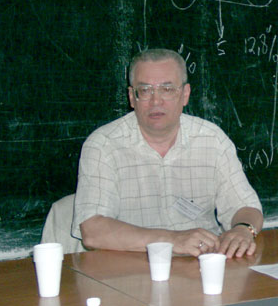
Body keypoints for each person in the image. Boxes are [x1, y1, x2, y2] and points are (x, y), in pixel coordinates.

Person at [72, 48, 263, 258]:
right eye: (145, 90)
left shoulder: (212, 139)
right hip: (131, 267)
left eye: (167, 89)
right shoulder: (103, 145)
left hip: (201, 264)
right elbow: (92, 231)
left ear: (185, 94)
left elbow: (246, 207)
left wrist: (243, 230)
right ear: (132, 97)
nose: (156, 101)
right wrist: (172, 240)